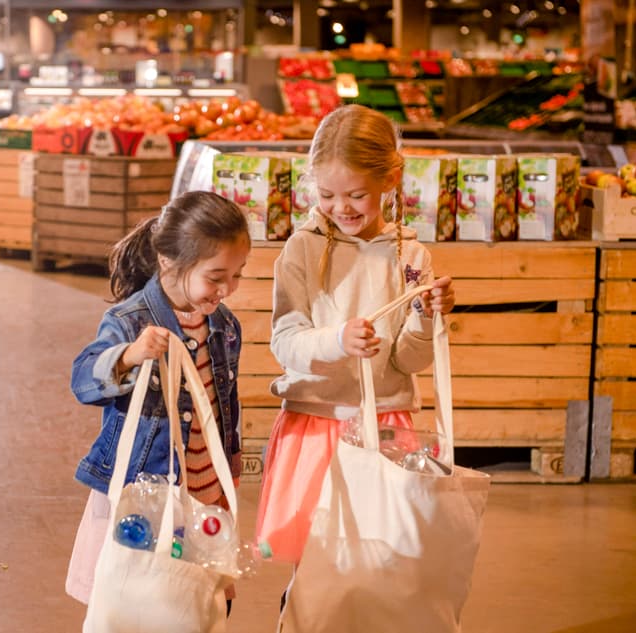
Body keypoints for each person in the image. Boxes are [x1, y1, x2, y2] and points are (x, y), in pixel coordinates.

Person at [255, 104, 456, 566]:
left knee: (379, 561)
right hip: (315, 422)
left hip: (387, 426)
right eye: (327, 194)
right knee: (315, 562)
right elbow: (286, 342)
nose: (340, 208)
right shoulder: (301, 249)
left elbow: (407, 361)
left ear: (390, 179)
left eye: (356, 195)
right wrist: (336, 340)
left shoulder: (412, 255)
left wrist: (427, 317)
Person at [66, 190, 251, 612]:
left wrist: (229, 474)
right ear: (169, 261)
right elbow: (82, 379)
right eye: (216, 275)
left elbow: (224, 408)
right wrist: (131, 355)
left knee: (199, 603)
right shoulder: (130, 321)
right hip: (145, 491)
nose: (227, 289)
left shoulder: (224, 325)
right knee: (141, 600)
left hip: (205, 488)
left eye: (238, 275)